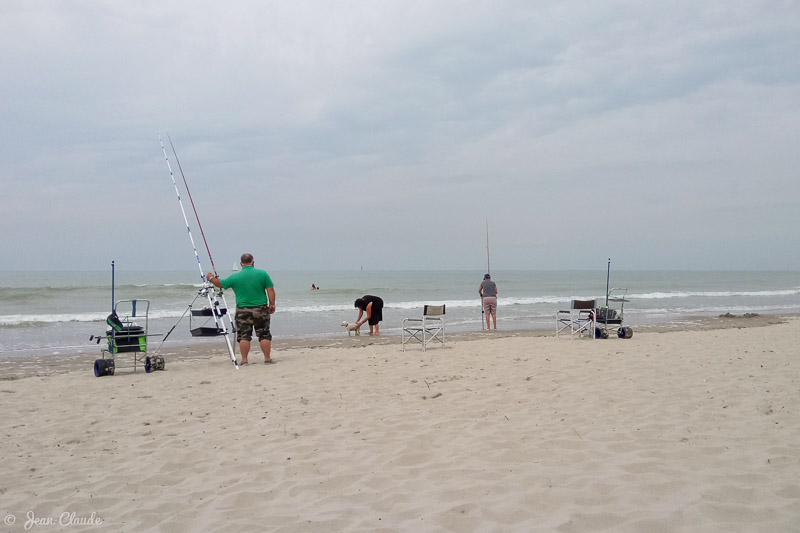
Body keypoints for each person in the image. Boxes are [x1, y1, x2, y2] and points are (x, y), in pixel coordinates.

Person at [207, 253, 276, 365]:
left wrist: (210, 277)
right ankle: (267, 358)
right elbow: (270, 290)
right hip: (261, 308)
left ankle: (244, 360)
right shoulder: (262, 274)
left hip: (242, 309)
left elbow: (220, 284)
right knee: (264, 334)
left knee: (244, 335)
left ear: (241, 264)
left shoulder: (235, 277)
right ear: (253, 262)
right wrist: (272, 304)